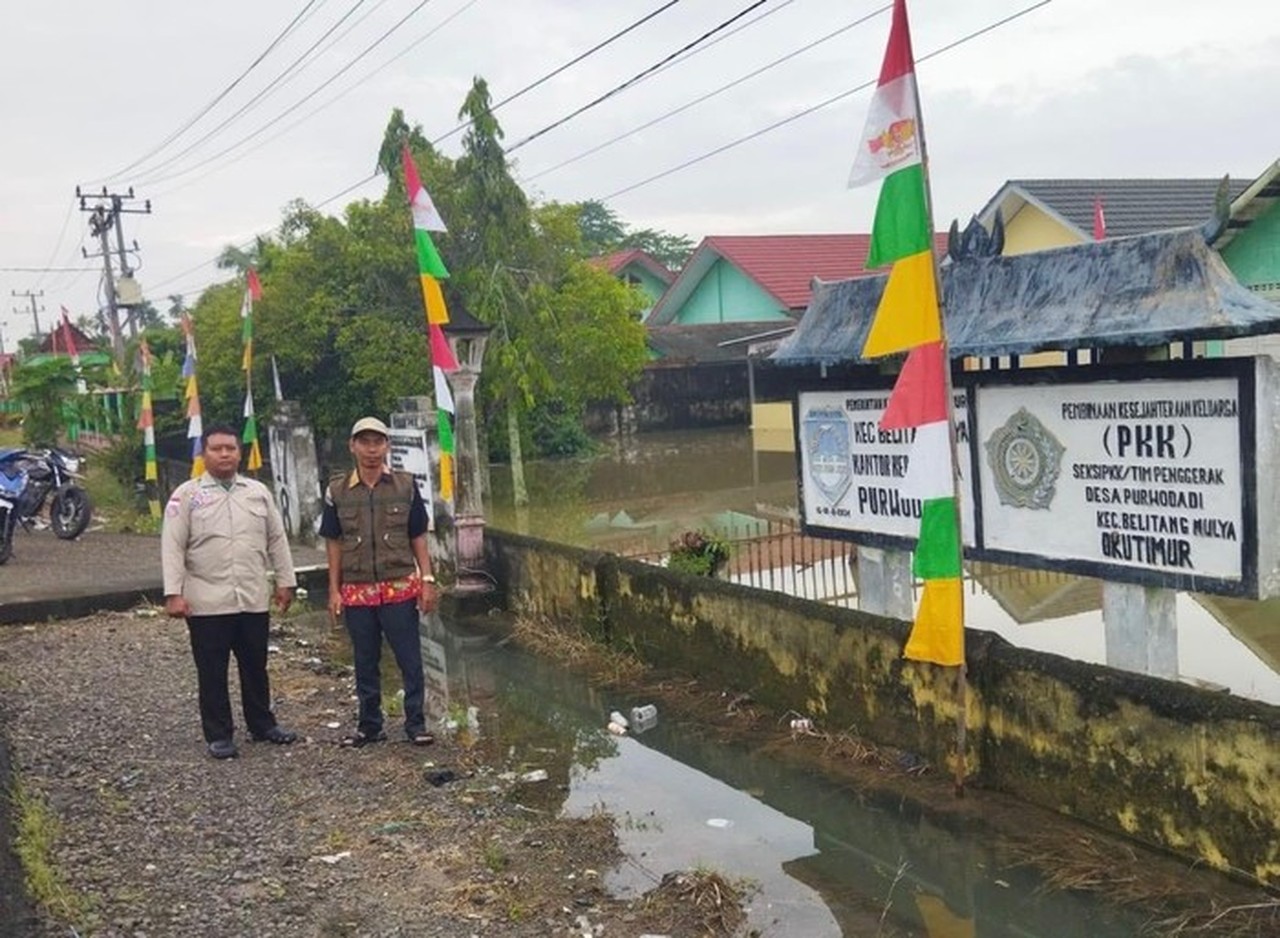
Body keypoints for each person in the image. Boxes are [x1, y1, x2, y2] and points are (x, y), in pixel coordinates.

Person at [161, 424, 299, 759]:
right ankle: (219, 734)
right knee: (212, 670)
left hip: (251, 597)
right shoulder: (187, 496)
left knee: (255, 665)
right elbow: (172, 546)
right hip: (207, 601)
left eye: (231, 449)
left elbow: (276, 540)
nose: (224, 455)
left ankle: (262, 724)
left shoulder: (257, 492)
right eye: (217, 449)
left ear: (240, 453)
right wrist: (173, 594)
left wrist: (285, 581)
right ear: (203, 454)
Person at [320, 416, 439, 747]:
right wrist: (333, 589)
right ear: (353, 446)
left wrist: (427, 579)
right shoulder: (337, 490)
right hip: (357, 590)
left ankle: (416, 723)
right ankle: (370, 724)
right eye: (365, 442)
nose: (372, 449)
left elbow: (417, 535)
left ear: (387, 446)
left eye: (378, 442)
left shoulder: (404, 485)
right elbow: (333, 541)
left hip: (398, 585)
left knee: (410, 659)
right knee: (365, 659)